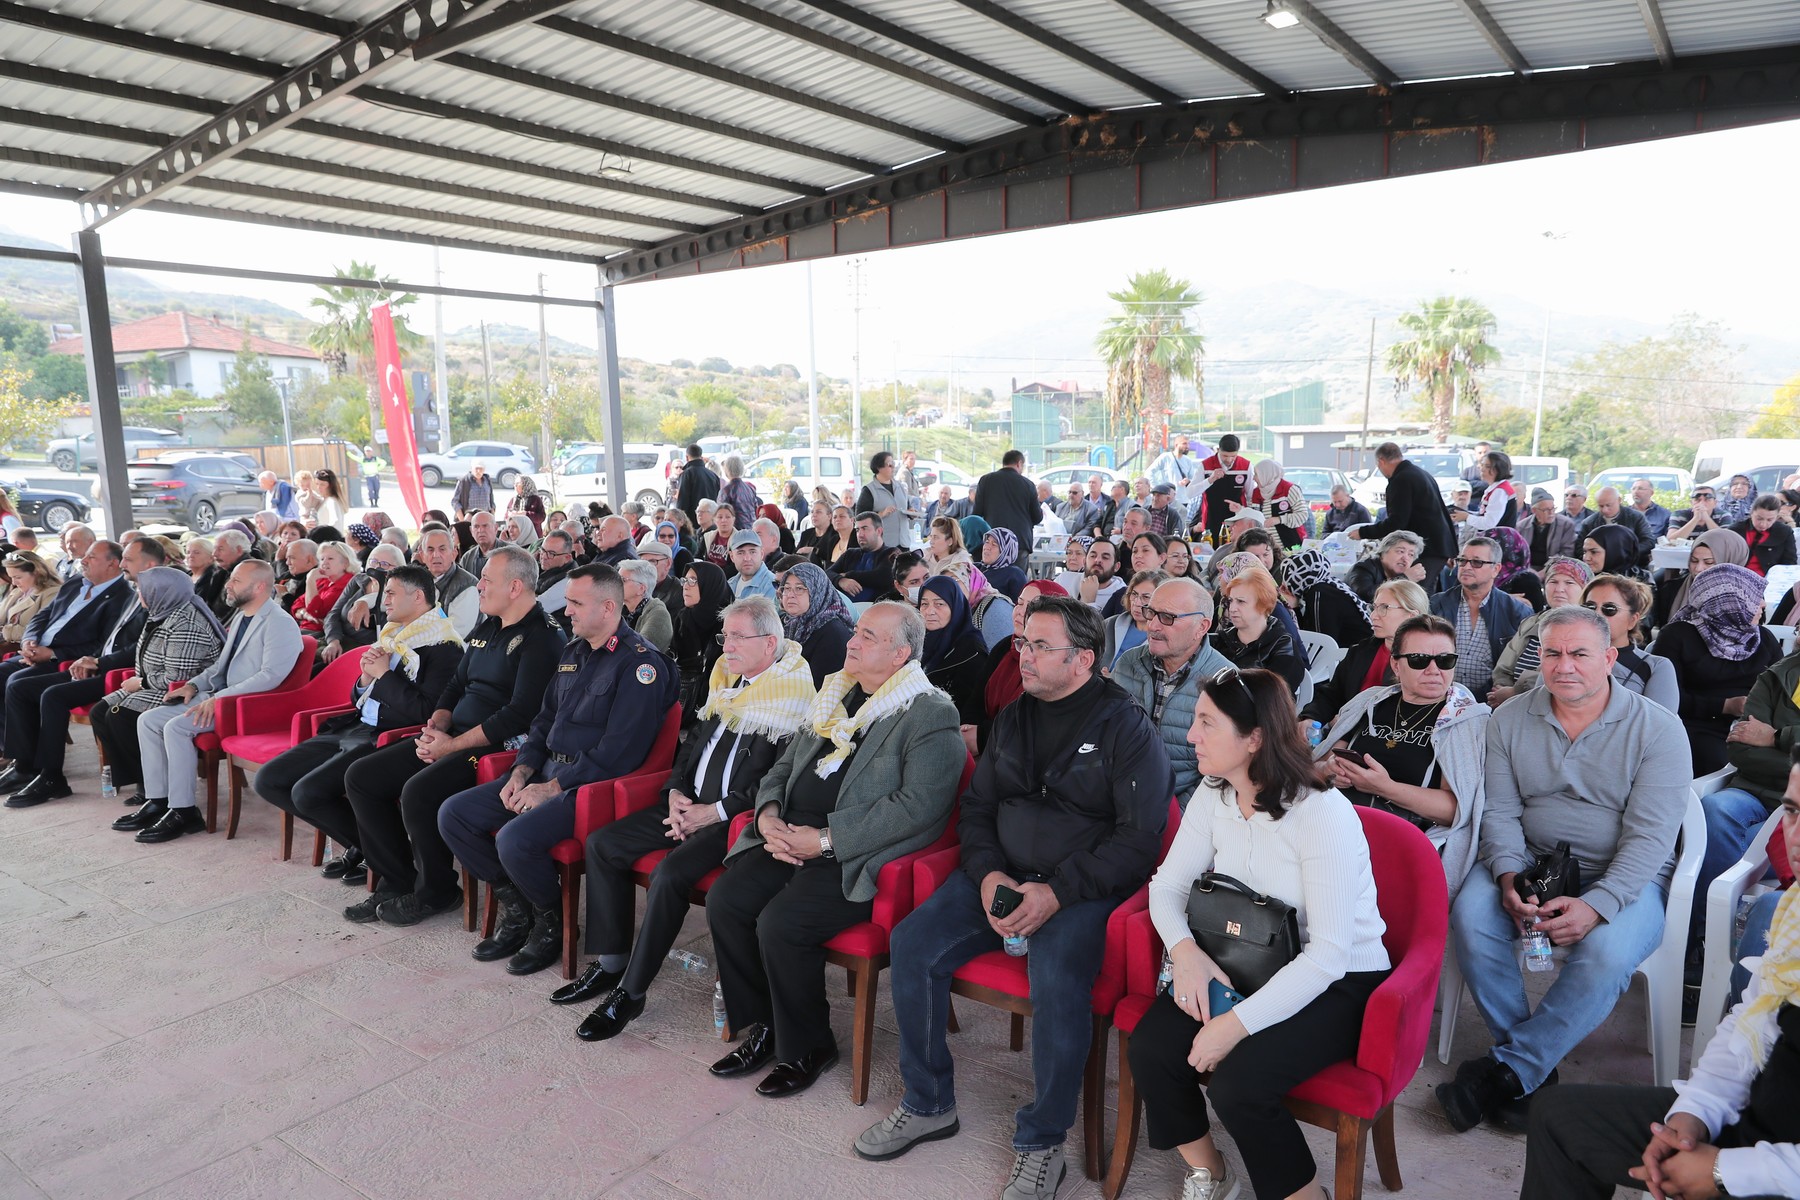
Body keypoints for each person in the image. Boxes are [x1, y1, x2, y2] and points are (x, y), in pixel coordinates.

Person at [859, 594, 1172, 1195]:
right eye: (1024, 643)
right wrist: (986, 874)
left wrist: (1056, 893)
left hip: (1081, 889)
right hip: (1000, 874)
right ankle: (928, 1103)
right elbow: (978, 808)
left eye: (1040, 647)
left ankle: (1043, 1139)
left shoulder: (1125, 727)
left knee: (1057, 979)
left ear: (1083, 659)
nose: (1022, 656)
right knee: (913, 943)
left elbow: (1139, 842)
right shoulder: (1013, 716)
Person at [1131, 667, 1391, 1200]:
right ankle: (1211, 1172)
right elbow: (1167, 887)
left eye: (1207, 723)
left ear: (1254, 739)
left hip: (1338, 978)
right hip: (1246, 955)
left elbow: (1329, 955)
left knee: (1240, 1087)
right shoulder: (1215, 793)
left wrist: (1234, 1026)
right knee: (1152, 1048)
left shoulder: (1321, 814)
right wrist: (1185, 953)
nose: (1190, 735)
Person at [1438, 606, 1690, 1134]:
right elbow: (1500, 811)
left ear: (1610, 658)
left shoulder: (1658, 729)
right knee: (1473, 917)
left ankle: (1507, 1071)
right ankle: (1531, 1068)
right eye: (1552, 653)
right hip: (1531, 859)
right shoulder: (1510, 718)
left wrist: (1598, 905)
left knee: (1606, 953)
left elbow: (1651, 838)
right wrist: (1508, 876)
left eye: (1579, 653)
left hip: (1626, 874)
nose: (1564, 665)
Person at [1518, 744, 1800, 1200]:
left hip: (1779, 1171)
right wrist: (1691, 1118)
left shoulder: (1654, 733)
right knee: (1559, 1118)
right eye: (1792, 811)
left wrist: (1725, 1172)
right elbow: (1750, 1025)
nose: (1796, 836)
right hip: (1758, 1122)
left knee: (1609, 953)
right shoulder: (1795, 911)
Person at [705, 602, 963, 1097]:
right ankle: (766, 1025)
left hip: (853, 855)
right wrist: (768, 815)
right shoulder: (837, 693)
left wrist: (826, 840)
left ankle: (809, 1046)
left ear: (900, 654)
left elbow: (918, 807)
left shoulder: (929, 713)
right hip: (790, 834)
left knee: (781, 924)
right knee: (726, 901)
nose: (852, 641)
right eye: (856, 631)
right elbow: (783, 767)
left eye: (868, 636)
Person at [563, 595, 815, 1038]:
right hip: (689, 804)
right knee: (603, 844)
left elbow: (777, 783)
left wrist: (711, 812)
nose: (726, 646)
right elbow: (692, 744)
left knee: (669, 874)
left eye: (738, 637)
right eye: (725, 636)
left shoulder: (793, 697)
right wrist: (676, 793)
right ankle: (611, 962)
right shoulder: (727, 679)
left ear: (769, 643)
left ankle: (631, 993)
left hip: (733, 822)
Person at [440, 563, 680, 976]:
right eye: (567, 601)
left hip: (590, 789)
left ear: (608, 608)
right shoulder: (574, 651)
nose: (566, 611)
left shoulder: (640, 665)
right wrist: (521, 771)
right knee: (455, 815)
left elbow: (618, 753)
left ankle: (552, 923)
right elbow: (543, 722)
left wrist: (553, 787)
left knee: (515, 839)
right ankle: (520, 908)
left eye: (575, 603)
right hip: (545, 771)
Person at [339, 546, 566, 925]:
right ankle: (398, 880)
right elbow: (456, 684)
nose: (479, 586)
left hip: (498, 747)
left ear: (514, 587)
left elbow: (520, 714)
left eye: (487, 580)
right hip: (454, 735)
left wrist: (451, 746)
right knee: (362, 777)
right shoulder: (489, 625)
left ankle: (437, 891)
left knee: (419, 792)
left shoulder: (543, 637)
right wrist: (438, 726)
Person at [252, 563, 464, 882]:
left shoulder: (443, 647)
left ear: (418, 597)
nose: (384, 601)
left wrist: (384, 675)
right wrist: (366, 679)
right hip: (355, 726)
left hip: (386, 737)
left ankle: (386, 853)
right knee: (269, 780)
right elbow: (362, 696)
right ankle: (370, 846)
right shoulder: (394, 635)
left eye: (391, 593)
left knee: (307, 793)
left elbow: (428, 712)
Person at [118, 559, 307, 841]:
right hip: (221, 698)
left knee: (176, 727)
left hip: (248, 707)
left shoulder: (280, 623)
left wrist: (219, 698)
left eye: (236, 581)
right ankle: (158, 800)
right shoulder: (243, 616)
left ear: (259, 587)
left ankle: (183, 811)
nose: (228, 585)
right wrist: (193, 685)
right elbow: (221, 667)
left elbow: (271, 677)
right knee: (147, 720)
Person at [1316, 613, 1487, 900]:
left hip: (1401, 840)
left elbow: (1456, 810)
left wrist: (1386, 788)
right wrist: (1328, 770)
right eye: (1419, 660)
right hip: (1335, 825)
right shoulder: (1369, 703)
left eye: (1445, 660)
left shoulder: (1464, 720)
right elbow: (1312, 768)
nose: (1434, 670)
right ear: (1396, 664)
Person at [0, 539, 139, 802]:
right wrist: (30, 641)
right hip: (42, 652)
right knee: (15, 683)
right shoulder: (76, 582)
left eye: (91, 557)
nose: (83, 560)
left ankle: (41, 772)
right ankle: (23, 763)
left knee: (23, 686)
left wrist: (54, 654)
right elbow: (43, 616)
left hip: (72, 660)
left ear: (112, 564)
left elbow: (103, 645)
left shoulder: (122, 597)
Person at [86, 567, 226, 806]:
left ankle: (151, 786)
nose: (139, 594)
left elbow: (178, 677)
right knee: (99, 712)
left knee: (120, 715)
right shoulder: (162, 612)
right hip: (151, 684)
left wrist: (141, 683)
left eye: (143, 589)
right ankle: (140, 778)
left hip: (178, 689)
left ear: (161, 592)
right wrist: (140, 682)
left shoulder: (187, 624)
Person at [1652, 562, 1783, 777]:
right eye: (1753, 597)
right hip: (1698, 726)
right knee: (1718, 763)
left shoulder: (1761, 638)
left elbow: (1783, 690)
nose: (1762, 604)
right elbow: (1664, 700)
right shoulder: (1677, 636)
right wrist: (1725, 706)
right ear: (1728, 601)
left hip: (1757, 726)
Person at [1112, 578, 1232, 802]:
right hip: (1118, 797)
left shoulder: (1224, 681)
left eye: (1167, 617)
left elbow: (1222, 773)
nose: (1152, 626)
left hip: (1182, 807)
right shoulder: (1128, 664)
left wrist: (1177, 813)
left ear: (1202, 627)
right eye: (1151, 613)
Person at [1299, 578, 1431, 729]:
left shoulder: (1425, 663)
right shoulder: (1361, 650)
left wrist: (1349, 722)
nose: (1373, 615)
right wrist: (1311, 718)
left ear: (1411, 616)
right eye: (1374, 608)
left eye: (1384, 608)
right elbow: (1333, 694)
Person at [1429, 536, 1531, 703]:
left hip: (1491, 702)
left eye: (1477, 562)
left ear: (1496, 569)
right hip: (1439, 698)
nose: (1467, 567)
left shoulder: (1517, 612)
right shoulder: (1436, 604)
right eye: (1462, 560)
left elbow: (1519, 668)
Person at [1347, 443, 1458, 583]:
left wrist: (1363, 532)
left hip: (1427, 548)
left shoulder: (1401, 480)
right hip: (1438, 545)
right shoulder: (1420, 473)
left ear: (1381, 461)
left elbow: (1396, 522)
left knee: (1414, 591)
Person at [1490, 557, 1594, 701]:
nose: (1559, 589)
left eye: (1569, 583)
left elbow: (1560, 676)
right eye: (1553, 581)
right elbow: (1503, 668)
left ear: (1585, 589)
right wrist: (1502, 691)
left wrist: (1515, 692)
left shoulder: (1590, 630)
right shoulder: (1531, 623)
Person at [1213, 565, 1306, 692]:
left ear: (1263, 604)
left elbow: (1274, 698)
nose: (1232, 608)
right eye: (1231, 601)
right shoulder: (1219, 640)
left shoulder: (1283, 649)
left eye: (1241, 601)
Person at [915, 575, 990, 726]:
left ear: (955, 606)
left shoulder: (972, 651)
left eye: (939, 604)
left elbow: (969, 708)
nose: (929, 611)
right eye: (924, 604)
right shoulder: (917, 641)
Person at [1652, 526, 1747, 633]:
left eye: (1709, 562)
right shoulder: (1671, 590)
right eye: (1694, 561)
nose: (1698, 568)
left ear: (1730, 561)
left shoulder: (1747, 596)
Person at [772, 561, 851, 686]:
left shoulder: (833, 633)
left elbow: (820, 686)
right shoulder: (783, 622)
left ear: (817, 591)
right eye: (786, 588)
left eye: (799, 589)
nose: (790, 595)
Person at [1282, 546, 1372, 647]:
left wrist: (1295, 609)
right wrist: (1295, 606)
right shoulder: (1330, 584)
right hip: (1363, 647)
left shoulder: (1319, 593)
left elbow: (1317, 643)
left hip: (1358, 651)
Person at [973, 449, 1042, 561]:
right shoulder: (1028, 484)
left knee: (991, 572)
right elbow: (1037, 517)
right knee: (1017, 572)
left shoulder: (986, 480)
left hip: (993, 540)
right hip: (1020, 541)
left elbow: (976, 513)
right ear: (1019, 463)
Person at [1102, 569, 1167, 672]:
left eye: (1146, 597)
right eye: (1134, 594)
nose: (1137, 603)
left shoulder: (1165, 637)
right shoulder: (1110, 624)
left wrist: (1115, 678)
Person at [1578, 487, 1655, 571]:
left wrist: (1625, 553)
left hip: (1633, 567)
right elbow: (1579, 548)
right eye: (1601, 506)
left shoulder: (1636, 517)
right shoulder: (1589, 523)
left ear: (1619, 500)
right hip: (1598, 569)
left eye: (1608, 505)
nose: (1605, 510)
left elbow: (1649, 542)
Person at [1344, 529, 1426, 606]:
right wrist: (1404, 578)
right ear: (1383, 552)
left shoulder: (1410, 576)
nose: (1405, 558)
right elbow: (1366, 596)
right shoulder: (1363, 568)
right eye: (1400, 551)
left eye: (1411, 554)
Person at [857, 451, 921, 551]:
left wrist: (911, 513)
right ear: (879, 467)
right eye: (890, 465)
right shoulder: (869, 490)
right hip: (882, 546)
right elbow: (860, 518)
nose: (893, 468)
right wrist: (881, 514)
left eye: (894, 464)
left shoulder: (901, 487)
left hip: (903, 544)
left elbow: (906, 508)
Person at [1196, 434, 1252, 543]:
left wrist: (1243, 510)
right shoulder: (1205, 465)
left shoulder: (1246, 466)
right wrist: (1210, 480)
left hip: (1237, 519)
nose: (1229, 460)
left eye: (1233, 456)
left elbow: (1250, 497)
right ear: (1218, 450)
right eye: (1225, 456)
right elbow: (1191, 493)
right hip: (1211, 518)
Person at [0, 551, 58, 655]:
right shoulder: (17, 592)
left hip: (26, 649)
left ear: (36, 572)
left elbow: (44, 630)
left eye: (18, 577)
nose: (13, 582)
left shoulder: (52, 593)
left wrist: (7, 631)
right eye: (11, 577)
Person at [1241, 458, 1307, 549]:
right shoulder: (1255, 493)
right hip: (1268, 549)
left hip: (1292, 545)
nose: (1253, 478)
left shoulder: (1289, 489)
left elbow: (1303, 515)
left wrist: (1279, 519)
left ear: (1266, 475)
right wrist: (1240, 509)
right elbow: (1254, 518)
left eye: (1256, 474)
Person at [832, 512, 900, 600]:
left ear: (878, 531)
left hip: (878, 606)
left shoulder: (892, 552)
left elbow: (882, 577)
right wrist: (840, 580)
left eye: (864, 529)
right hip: (846, 606)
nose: (860, 534)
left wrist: (848, 575)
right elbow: (827, 573)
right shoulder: (850, 553)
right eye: (857, 530)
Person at [1732, 492, 1798, 577]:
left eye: (1770, 520)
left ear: (1777, 517)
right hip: (1737, 576)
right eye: (1759, 518)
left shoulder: (1784, 532)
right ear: (1751, 513)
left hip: (1771, 578)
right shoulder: (1735, 530)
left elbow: (1789, 563)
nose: (1763, 524)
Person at [1456, 450, 1520, 533]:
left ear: (1499, 469)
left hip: (1498, 538)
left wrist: (1467, 517)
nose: (1482, 469)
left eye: (1488, 466)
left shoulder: (1499, 491)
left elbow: (1489, 523)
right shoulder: (1495, 488)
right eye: (1482, 465)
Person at [1517, 488, 1580, 572]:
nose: (1551, 513)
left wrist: (1545, 571)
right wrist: (1529, 571)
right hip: (1527, 569)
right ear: (1534, 510)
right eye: (1546, 510)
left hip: (1555, 568)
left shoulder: (1566, 525)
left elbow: (1566, 553)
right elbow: (1517, 553)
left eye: (1553, 508)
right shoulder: (1521, 526)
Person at [618, 558, 673, 653]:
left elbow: (641, 650)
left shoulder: (658, 614)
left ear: (641, 589)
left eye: (623, 580)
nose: (615, 583)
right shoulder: (620, 609)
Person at [723, 530, 777, 602]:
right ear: (732, 557)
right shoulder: (729, 584)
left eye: (752, 552)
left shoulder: (773, 585)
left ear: (761, 554)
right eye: (740, 553)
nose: (747, 558)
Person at [674, 443, 720, 527]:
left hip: (692, 524)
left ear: (687, 457)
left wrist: (680, 523)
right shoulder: (713, 476)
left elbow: (682, 503)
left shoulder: (687, 474)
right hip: (710, 522)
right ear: (701, 456)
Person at [978, 528, 1027, 602]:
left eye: (994, 544)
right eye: (987, 542)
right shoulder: (975, 568)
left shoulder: (1015, 575)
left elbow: (1021, 604)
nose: (987, 547)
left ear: (1006, 550)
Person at [460, 512, 499, 579]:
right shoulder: (467, 558)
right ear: (471, 531)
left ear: (495, 528)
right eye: (476, 527)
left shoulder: (511, 553)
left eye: (485, 526)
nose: (480, 530)